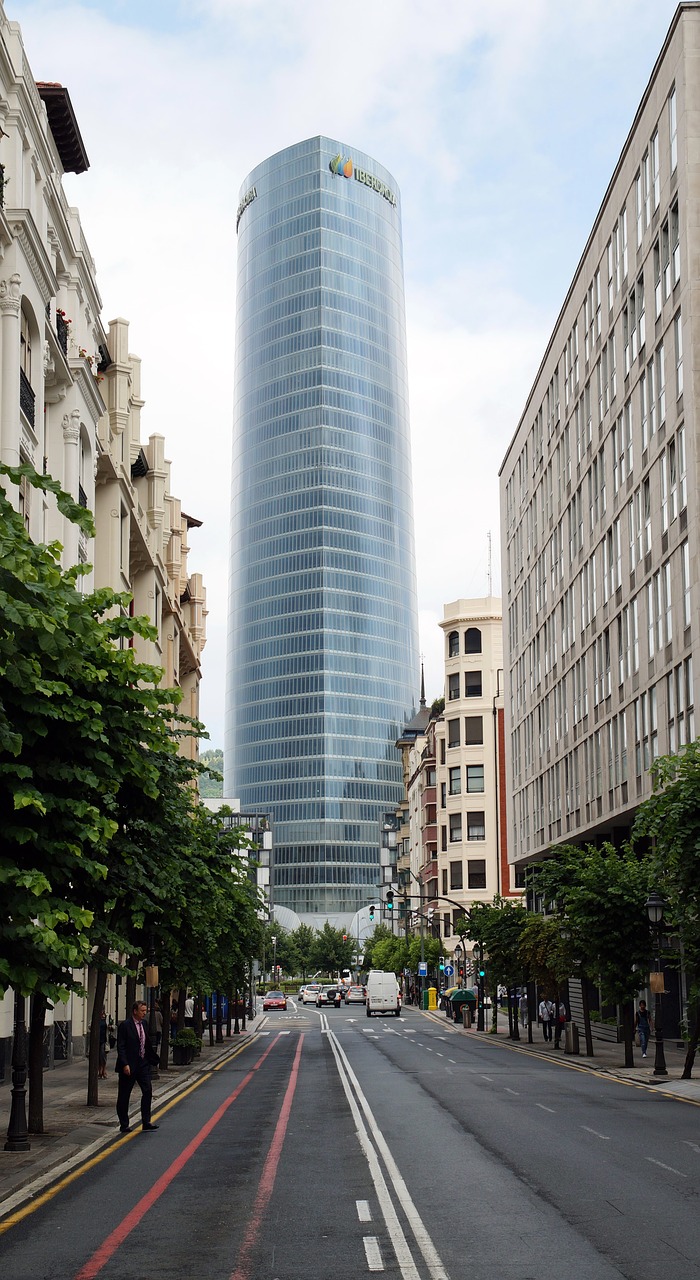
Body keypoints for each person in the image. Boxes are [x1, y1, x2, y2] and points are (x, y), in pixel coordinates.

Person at [115, 1000, 160, 1133]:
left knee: (147, 1091)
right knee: (124, 1095)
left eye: (145, 1011)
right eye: (142, 1011)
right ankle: (124, 1124)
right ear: (135, 1011)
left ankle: (146, 1121)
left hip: (143, 1064)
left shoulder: (144, 1024)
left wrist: (151, 1059)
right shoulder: (125, 1025)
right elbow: (121, 1046)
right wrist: (125, 1064)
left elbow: (145, 1043)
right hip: (129, 1065)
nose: (144, 1013)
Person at [98, 1007, 108, 1079]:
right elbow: (89, 1025)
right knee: (98, 1056)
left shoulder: (107, 1017)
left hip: (104, 1040)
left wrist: (110, 1026)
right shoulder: (96, 1016)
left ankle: (103, 1070)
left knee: (103, 1055)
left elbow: (112, 1026)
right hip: (97, 1040)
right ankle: (99, 1071)